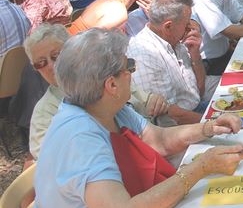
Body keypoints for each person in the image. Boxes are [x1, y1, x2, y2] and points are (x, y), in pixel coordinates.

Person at [34, 28, 243, 207]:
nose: (132, 73)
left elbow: (159, 140)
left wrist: (207, 127)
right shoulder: (80, 138)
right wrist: (200, 168)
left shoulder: (103, 105)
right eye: (129, 66)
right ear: (112, 85)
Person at [26, 24, 170, 160]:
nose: (51, 66)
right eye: (41, 63)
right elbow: (52, 160)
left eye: (56, 56)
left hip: (153, 148)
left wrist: (155, 101)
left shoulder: (102, 77)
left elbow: (148, 101)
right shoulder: (44, 112)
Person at [128, 0, 219, 124]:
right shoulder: (144, 54)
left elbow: (199, 91)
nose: (191, 27)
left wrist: (195, 55)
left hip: (196, 109)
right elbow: (169, 117)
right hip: (179, 126)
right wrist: (212, 123)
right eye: (187, 23)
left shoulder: (174, 39)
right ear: (168, 26)